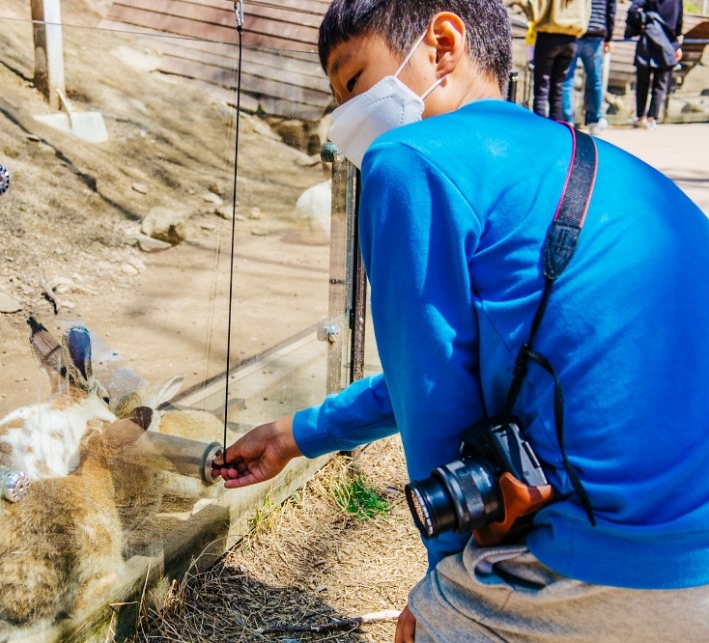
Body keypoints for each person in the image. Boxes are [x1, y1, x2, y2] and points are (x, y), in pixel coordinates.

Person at [212, 1, 709, 641]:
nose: (343, 117)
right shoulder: (602, 163)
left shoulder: (410, 158)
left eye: (355, 82)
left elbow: (435, 404)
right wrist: (296, 434)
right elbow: (450, 361)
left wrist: (445, 588)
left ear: (443, 45)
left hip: (623, 567)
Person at [530, 0, 591, 121]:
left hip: (549, 35)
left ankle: (538, 128)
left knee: (542, 86)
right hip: (571, 38)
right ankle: (556, 129)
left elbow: (537, 9)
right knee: (558, 87)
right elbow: (587, 12)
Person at [561, 0, 616, 134]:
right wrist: (609, 38)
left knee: (567, 80)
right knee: (595, 80)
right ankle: (594, 120)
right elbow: (611, 10)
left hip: (573, 30)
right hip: (595, 33)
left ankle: (567, 120)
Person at [627, 0, 684, 129]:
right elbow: (679, 23)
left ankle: (640, 117)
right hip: (668, 44)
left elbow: (632, 10)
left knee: (642, 83)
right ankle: (652, 118)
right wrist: (677, 46)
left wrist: (644, 21)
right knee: (660, 84)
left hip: (647, 41)